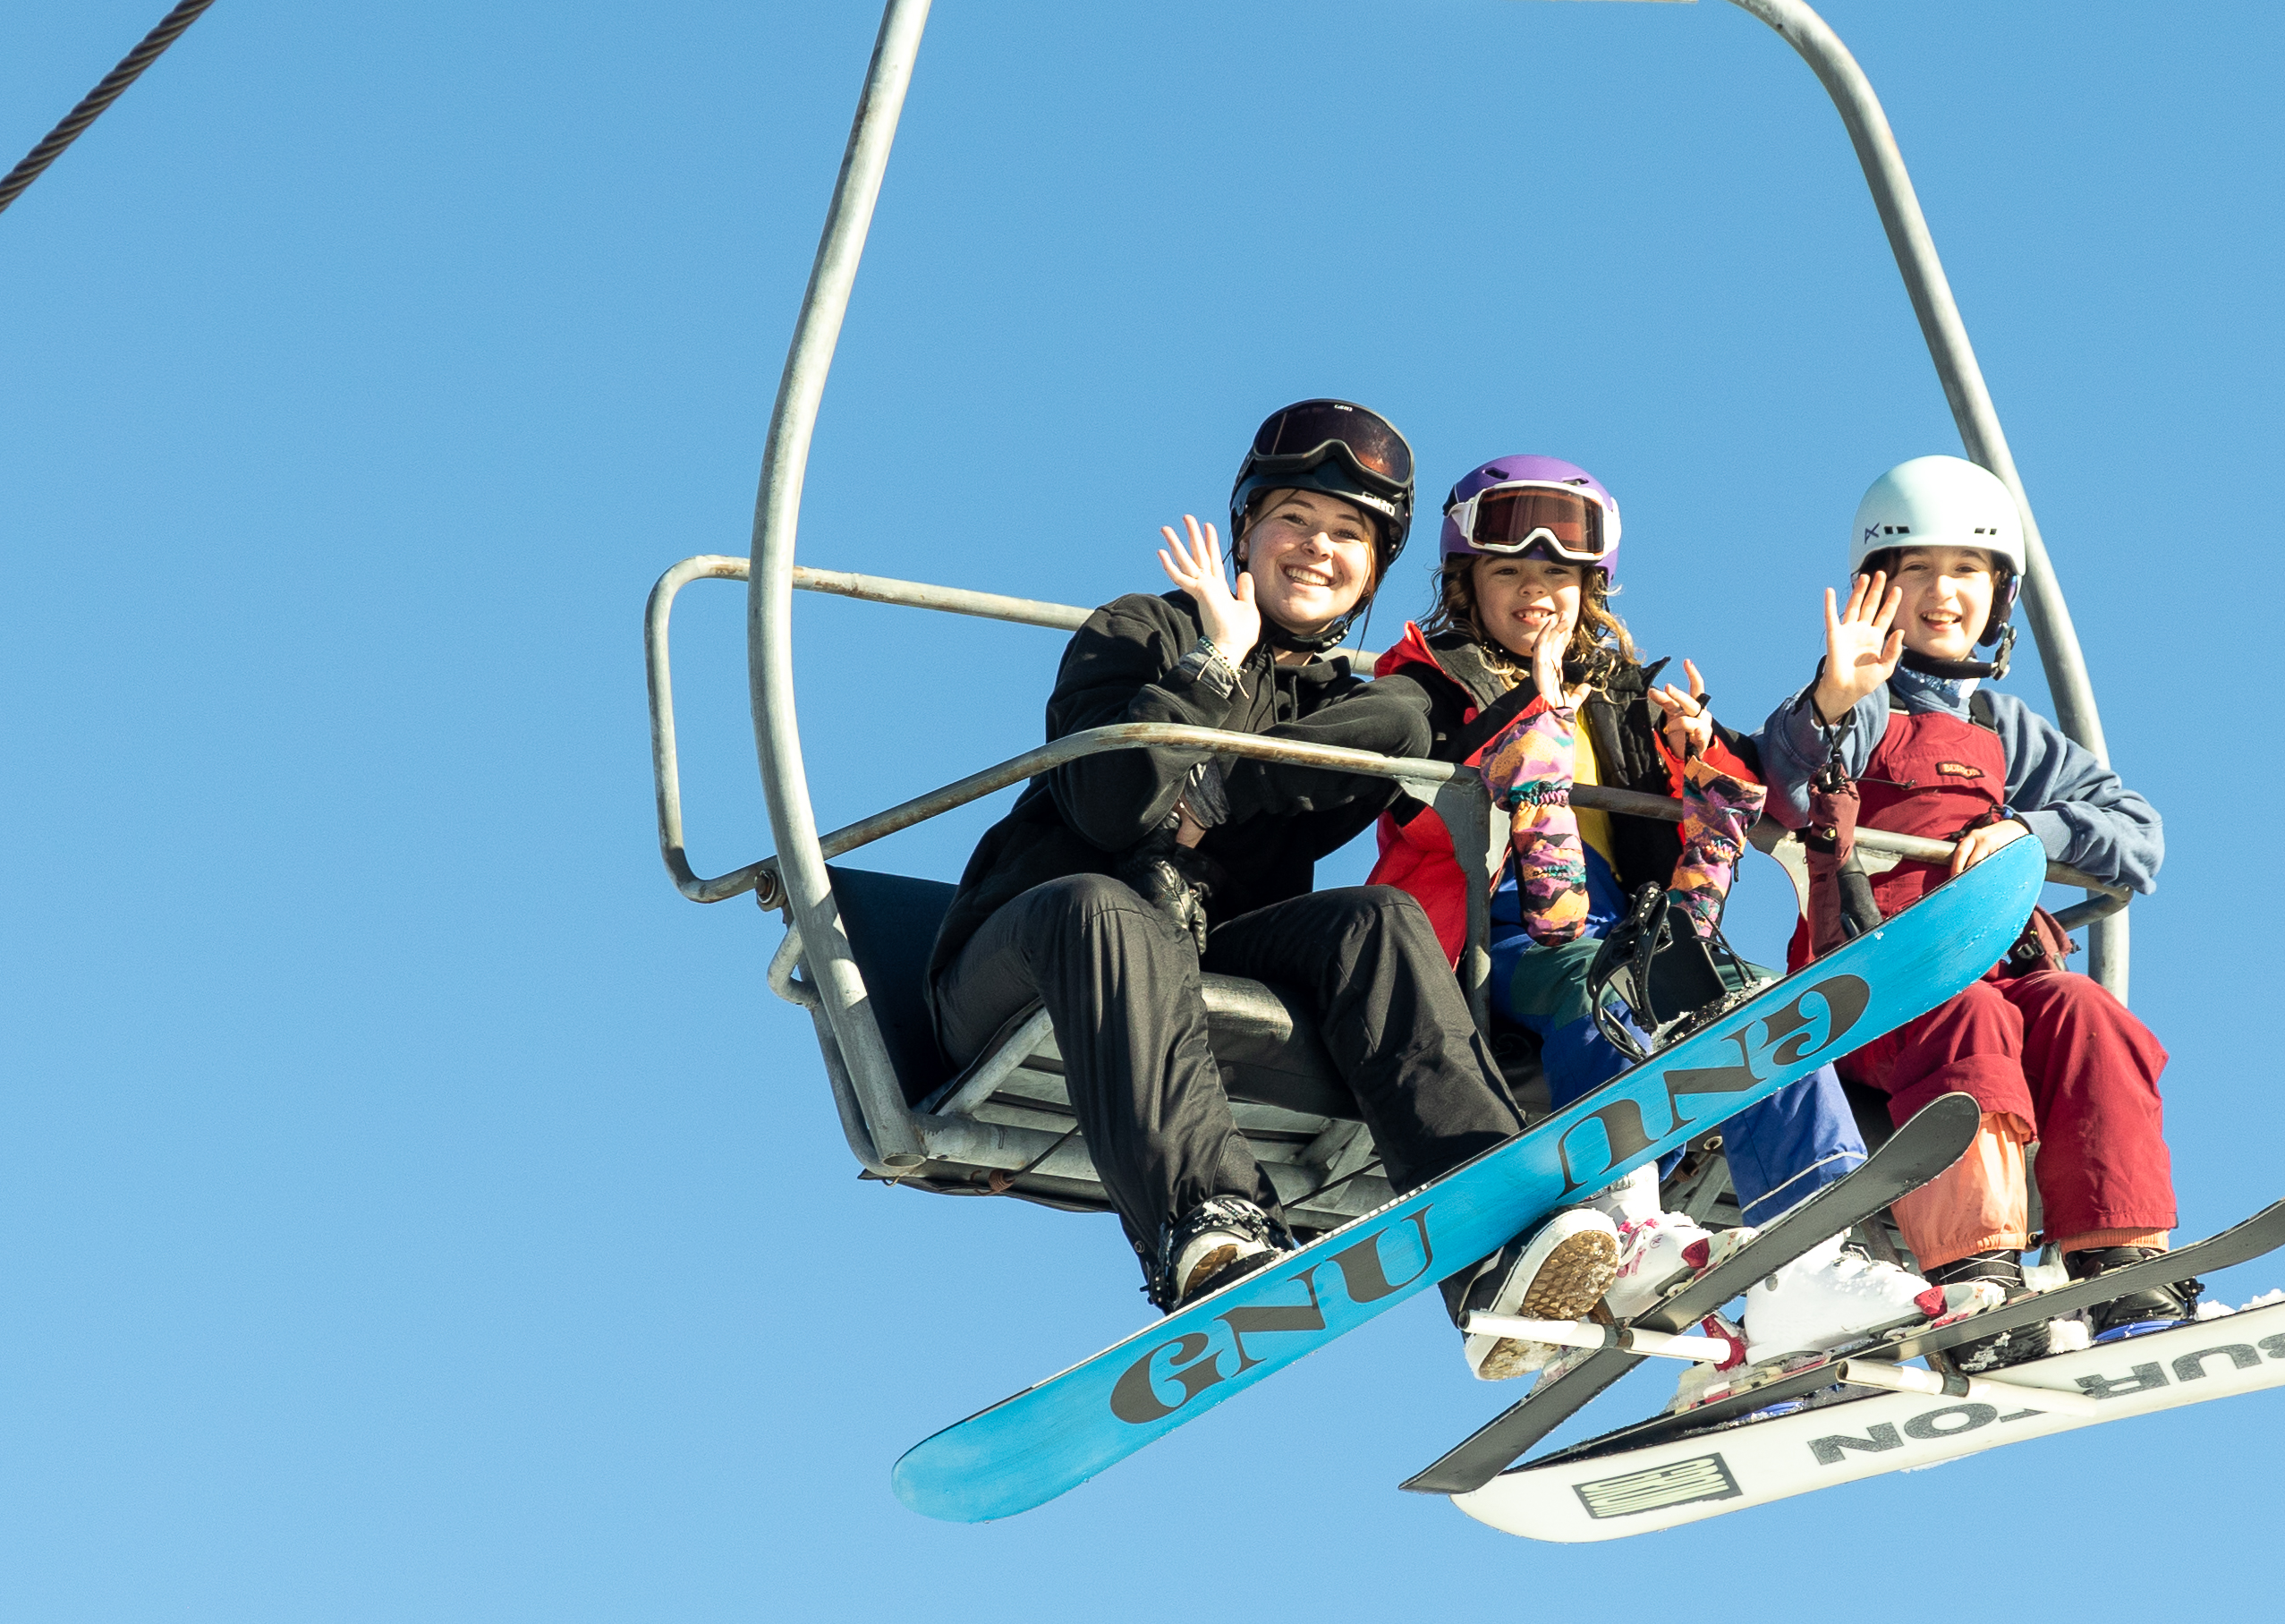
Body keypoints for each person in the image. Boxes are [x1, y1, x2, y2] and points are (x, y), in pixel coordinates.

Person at [922, 402, 1612, 1332]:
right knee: (1107, 903)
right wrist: (1215, 658)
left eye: (1349, 533)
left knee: (1376, 918)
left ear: (1374, 567)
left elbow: (1434, 732)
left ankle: (1489, 1229)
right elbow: (1109, 809)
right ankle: (1209, 1221)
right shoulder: (1144, 631)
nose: (1318, 547)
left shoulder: (1342, 703)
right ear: (1247, 527)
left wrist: (1553, 704)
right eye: (1297, 518)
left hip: (1205, 957)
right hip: (1031, 954)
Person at [1368, 457, 1922, 1376]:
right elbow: (1416, 800)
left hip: (1623, 916)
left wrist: (1699, 759)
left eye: (1558, 577)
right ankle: (1626, 1217)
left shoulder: (1616, 699)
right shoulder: (1426, 680)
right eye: (1509, 573)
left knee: (1752, 998)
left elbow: (1700, 849)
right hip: (1485, 927)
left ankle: (1808, 1253)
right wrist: (1530, 712)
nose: (1534, 594)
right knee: (1605, 987)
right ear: (1466, 584)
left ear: (1591, 591)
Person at [1752, 455, 2199, 1355]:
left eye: (1965, 571)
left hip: (1994, 973)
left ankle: (2118, 1255)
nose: (1940, 592)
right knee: (1969, 1013)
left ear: (1999, 595)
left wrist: (2033, 831)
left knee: (2083, 1011)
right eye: (1915, 570)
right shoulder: (1863, 704)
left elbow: (2138, 833)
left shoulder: (2005, 728)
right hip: (1877, 990)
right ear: (1877, 589)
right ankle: (1974, 1266)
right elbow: (1783, 782)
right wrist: (1833, 699)